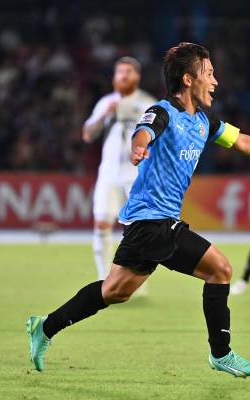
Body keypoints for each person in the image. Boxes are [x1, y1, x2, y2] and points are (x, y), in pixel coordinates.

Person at [26, 42, 250, 378]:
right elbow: (144, 131)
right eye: (209, 74)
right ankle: (221, 353)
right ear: (187, 79)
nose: (215, 81)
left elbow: (242, 141)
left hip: (147, 225)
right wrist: (138, 148)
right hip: (154, 221)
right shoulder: (164, 112)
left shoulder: (203, 122)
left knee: (114, 291)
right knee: (221, 269)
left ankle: (44, 327)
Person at [83, 57, 156, 280]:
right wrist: (106, 115)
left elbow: (160, 137)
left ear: (137, 77)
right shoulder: (106, 102)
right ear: (114, 78)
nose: (123, 76)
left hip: (136, 175)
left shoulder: (147, 103)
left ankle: (135, 281)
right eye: (119, 72)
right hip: (108, 174)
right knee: (101, 225)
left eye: (128, 72)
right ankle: (103, 279)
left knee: (138, 230)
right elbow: (87, 134)